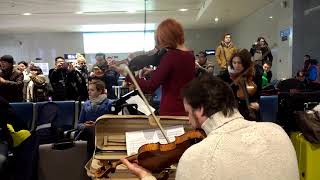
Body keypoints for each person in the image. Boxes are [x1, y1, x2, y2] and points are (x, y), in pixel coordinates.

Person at [121, 75, 299, 180]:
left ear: (199, 110)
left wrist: (146, 176)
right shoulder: (278, 132)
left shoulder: (197, 156)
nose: (189, 122)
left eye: (188, 113)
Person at [120, 18, 195, 116]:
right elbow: (178, 76)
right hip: (187, 108)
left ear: (166, 37)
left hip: (171, 110)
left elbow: (150, 86)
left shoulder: (171, 55)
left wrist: (128, 75)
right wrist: (154, 72)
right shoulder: (190, 55)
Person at [218, 49, 261, 121]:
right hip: (234, 112)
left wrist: (258, 104)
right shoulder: (226, 76)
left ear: (245, 63)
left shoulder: (253, 75)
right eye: (234, 63)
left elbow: (259, 93)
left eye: (239, 63)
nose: (236, 65)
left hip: (251, 110)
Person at [77, 80, 113, 158]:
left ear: (100, 91)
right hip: (88, 134)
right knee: (90, 132)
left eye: (92, 90)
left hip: (104, 134)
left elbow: (113, 124)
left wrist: (97, 125)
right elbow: (79, 124)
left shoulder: (110, 104)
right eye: (88, 90)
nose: (89, 92)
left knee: (93, 132)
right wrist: (85, 125)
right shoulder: (86, 104)